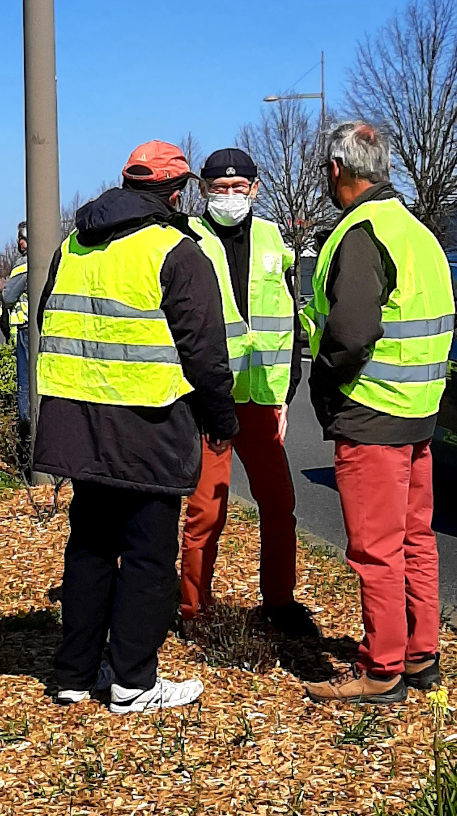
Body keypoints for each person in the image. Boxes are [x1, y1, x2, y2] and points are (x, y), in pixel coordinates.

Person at [34, 140, 238, 713]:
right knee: (148, 556)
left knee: (91, 547)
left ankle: (74, 674)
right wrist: (221, 421)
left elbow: (51, 321)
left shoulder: (74, 245)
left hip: (80, 424)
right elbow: (206, 353)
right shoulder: (177, 251)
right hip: (148, 426)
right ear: (176, 193)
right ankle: (133, 682)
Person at [300, 122, 454, 705]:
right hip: (419, 413)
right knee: (416, 538)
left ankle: (381, 667)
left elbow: (349, 332)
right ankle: (420, 652)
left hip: (372, 413)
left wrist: (325, 385)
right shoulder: (417, 232)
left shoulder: (361, 233)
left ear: (338, 169)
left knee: (376, 548)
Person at [179, 148, 317, 637]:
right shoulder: (187, 240)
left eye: (239, 188)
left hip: (261, 400)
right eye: (219, 188)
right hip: (208, 400)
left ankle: (279, 602)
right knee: (205, 511)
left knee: (280, 505)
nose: (230, 197)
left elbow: (293, 327)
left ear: (256, 189)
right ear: (202, 191)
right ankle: (195, 610)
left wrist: (285, 397)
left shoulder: (276, 241)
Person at [2, 221, 31, 425]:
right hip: (50, 326)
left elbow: (8, 296)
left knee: (25, 382)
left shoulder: (23, 264)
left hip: (25, 327)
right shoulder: (59, 255)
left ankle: (26, 428)